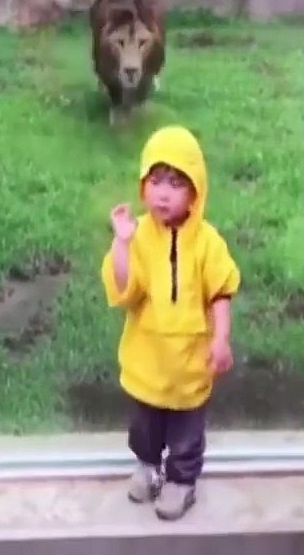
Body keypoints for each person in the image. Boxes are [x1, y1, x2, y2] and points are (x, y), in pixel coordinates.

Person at [100, 125, 241, 521]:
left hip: (189, 364)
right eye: (156, 180)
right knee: (144, 427)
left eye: (176, 183)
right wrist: (122, 243)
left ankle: (181, 481)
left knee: (185, 433)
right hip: (148, 361)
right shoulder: (140, 235)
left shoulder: (208, 242)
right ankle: (146, 466)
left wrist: (222, 339)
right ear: (143, 184)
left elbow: (221, 293)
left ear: (197, 189)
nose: (163, 193)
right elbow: (124, 289)